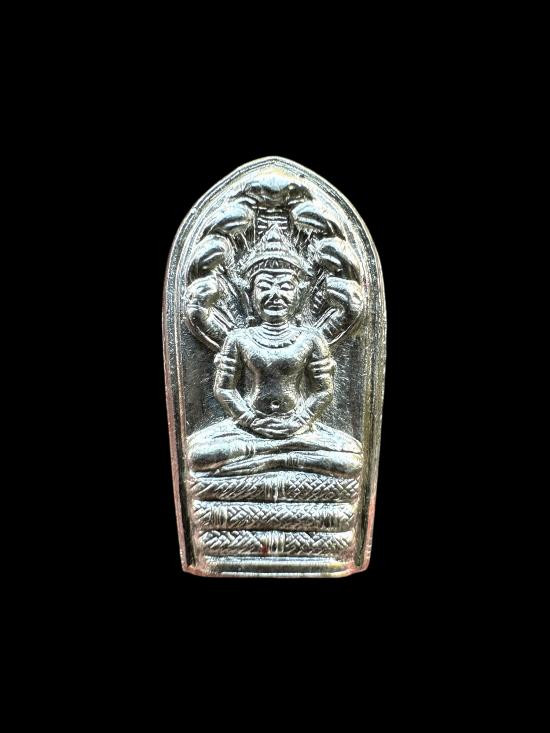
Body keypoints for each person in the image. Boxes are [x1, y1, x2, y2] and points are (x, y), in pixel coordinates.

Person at [187, 227, 362, 477]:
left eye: (285, 287)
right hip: (247, 428)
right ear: (250, 293)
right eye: (265, 286)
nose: (275, 295)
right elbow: (223, 389)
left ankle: (273, 457)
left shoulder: (311, 339)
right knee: (197, 454)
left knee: (351, 457)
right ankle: (287, 457)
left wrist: (299, 421)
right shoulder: (239, 338)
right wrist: (251, 420)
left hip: (300, 429)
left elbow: (324, 390)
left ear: (300, 293)